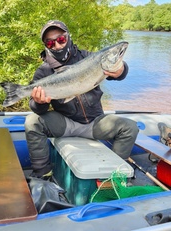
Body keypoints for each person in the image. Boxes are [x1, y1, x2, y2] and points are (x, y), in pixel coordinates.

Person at [25, 20, 139, 179]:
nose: (57, 46)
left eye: (61, 40)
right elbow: (35, 107)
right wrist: (39, 102)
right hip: (66, 123)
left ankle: (114, 176)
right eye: (51, 43)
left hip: (95, 122)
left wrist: (121, 69)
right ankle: (43, 174)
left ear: (68, 37)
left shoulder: (89, 57)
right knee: (32, 122)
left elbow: (120, 73)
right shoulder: (44, 71)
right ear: (46, 45)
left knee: (130, 127)